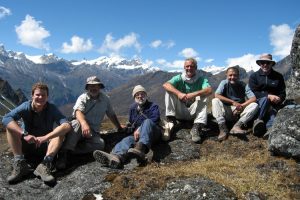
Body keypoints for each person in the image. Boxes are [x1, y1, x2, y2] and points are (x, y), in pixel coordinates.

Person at [2, 82, 71, 184]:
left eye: (43, 95)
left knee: (60, 132)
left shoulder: (52, 109)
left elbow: (66, 125)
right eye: (37, 95)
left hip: (44, 147)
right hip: (26, 145)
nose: (40, 97)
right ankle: (20, 163)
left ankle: (45, 164)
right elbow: (6, 118)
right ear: (32, 96)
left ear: (47, 97)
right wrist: (24, 134)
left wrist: (46, 137)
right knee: (10, 128)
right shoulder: (25, 107)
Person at [56, 76, 123, 169]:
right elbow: (78, 111)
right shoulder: (82, 98)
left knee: (100, 144)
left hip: (93, 132)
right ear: (87, 88)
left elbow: (111, 114)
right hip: (79, 129)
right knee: (76, 123)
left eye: (95, 85)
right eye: (90, 86)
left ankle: (72, 151)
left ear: (99, 87)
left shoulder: (105, 99)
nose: (93, 88)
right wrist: (84, 124)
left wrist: (119, 127)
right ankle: (63, 154)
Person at [93, 85, 162, 169]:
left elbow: (155, 119)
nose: (140, 96)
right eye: (137, 95)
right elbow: (132, 125)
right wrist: (126, 128)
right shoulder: (133, 108)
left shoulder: (153, 106)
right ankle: (116, 157)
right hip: (139, 137)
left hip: (153, 134)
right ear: (134, 97)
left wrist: (140, 129)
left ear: (146, 95)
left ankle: (141, 149)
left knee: (147, 122)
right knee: (127, 140)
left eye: (142, 94)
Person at [162, 57, 212, 143]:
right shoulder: (179, 78)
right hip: (179, 111)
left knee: (204, 96)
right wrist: (178, 93)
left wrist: (194, 94)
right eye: (187, 66)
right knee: (169, 92)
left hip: (193, 112)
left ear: (196, 68)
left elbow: (209, 90)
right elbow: (165, 85)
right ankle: (171, 121)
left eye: (192, 66)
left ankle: (197, 126)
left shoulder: (201, 80)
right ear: (184, 67)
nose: (189, 68)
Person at [212, 66, 259, 141]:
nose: (232, 77)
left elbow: (253, 98)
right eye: (230, 75)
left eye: (235, 75)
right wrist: (233, 102)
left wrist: (241, 106)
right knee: (215, 100)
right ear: (226, 75)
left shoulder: (243, 85)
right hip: (227, 110)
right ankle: (223, 128)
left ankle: (237, 126)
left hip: (239, 111)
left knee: (255, 105)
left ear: (238, 76)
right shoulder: (224, 83)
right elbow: (217, 95)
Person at [249, 53, 286, 137]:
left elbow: (283, 92)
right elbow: (254, 92)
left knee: (272, 111)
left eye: (268, 63)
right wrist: (268, 96)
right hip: (259, 103)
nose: (265, 65)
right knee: (266, 100)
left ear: (272, 64)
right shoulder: (254, 76)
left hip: (274, 104)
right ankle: (260, 120)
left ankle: (266, 128)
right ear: (259, 64)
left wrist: (279, 98)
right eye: (262, 62)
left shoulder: (278, 76)